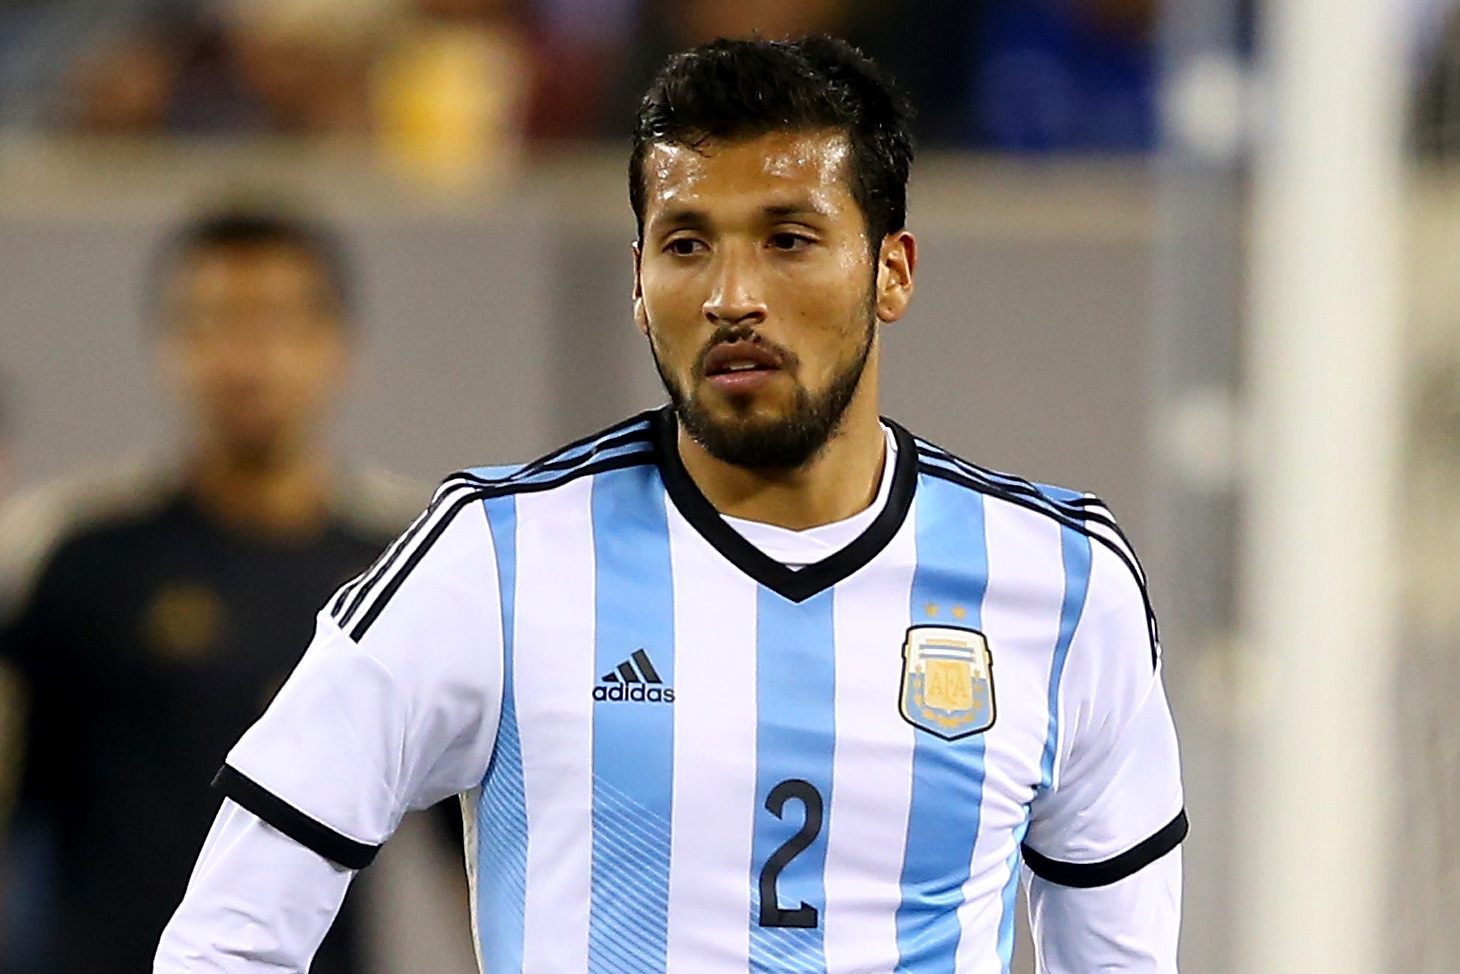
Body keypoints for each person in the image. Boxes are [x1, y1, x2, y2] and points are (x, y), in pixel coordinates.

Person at [157, 37, 1185, 973]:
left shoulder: (1063, 583)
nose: (732, 295)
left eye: (788, 239)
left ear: (891, 271)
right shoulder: (491, 560)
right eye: (687, 243)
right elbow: (226, 942)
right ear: (639, 283)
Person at [0, 207, 427, 973]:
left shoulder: (403, 573)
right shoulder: (73, 559)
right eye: (215, 323)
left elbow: (484, 849)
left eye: (277, 323)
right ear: (167, 345)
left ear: (339, 345)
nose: (247, 360)